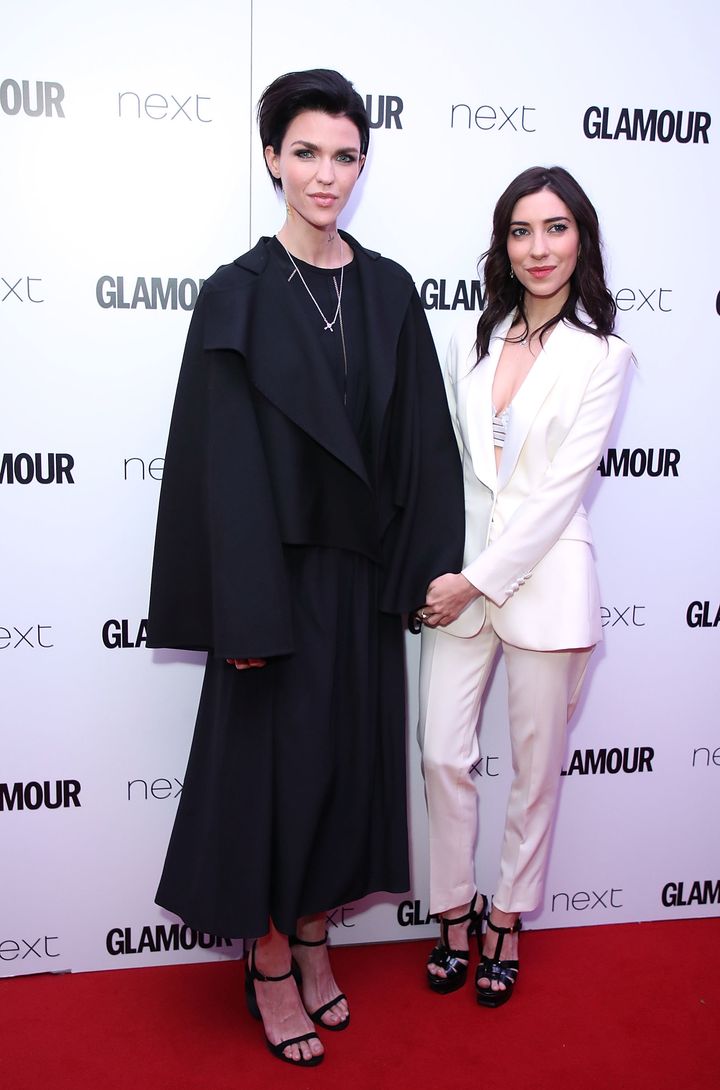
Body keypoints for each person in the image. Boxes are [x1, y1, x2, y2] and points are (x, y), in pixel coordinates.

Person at [146, 69, 464, 1066]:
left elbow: (422, 446)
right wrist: (241, 614)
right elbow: (217, 467)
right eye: (307, 153)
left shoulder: (388, 289)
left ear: (362, 165)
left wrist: (422, 573)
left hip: (361, 585)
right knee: (269, 788)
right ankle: (272, 959)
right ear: (273, 157)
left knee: (344, 776)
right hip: (270, 590)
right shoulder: (235, 297)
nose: (326, 174)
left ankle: (319, 938)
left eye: (345, 155)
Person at [417, 166, 632, 1007]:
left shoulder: (603, 357)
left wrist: (474, 581)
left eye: (555, 228)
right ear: (502, 245)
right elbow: (461, 473)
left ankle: (505, 915)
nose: (538, 248)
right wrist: (450, 573)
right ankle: (449, 911)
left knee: (535, 772)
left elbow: (555, 495)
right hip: (458, 584)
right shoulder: (475, 338)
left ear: (581, 239)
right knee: (442, 754)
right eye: (520, 230)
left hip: (539, 582)